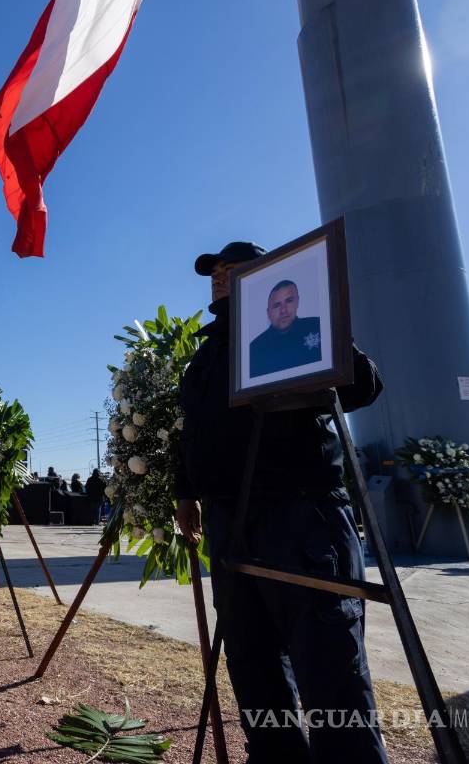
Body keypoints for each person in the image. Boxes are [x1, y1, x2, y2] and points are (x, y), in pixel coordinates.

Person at [176, 240, 387, 763]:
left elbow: (364, 386)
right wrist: (185, 494)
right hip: (230, 519)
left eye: (232, 268)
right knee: (252, 661)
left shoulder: (295, 329)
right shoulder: (205, 355)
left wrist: (330, 335)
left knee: (329, 667)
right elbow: (193, 433)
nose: (219, 276)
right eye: (215, 271)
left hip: (301, 516)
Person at [249, 279, 323, 378]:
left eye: (289, 301)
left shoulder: (318, 326)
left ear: (297, 302)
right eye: (276, 305)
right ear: (268, 313)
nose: (283, 310)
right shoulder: (255, 349)